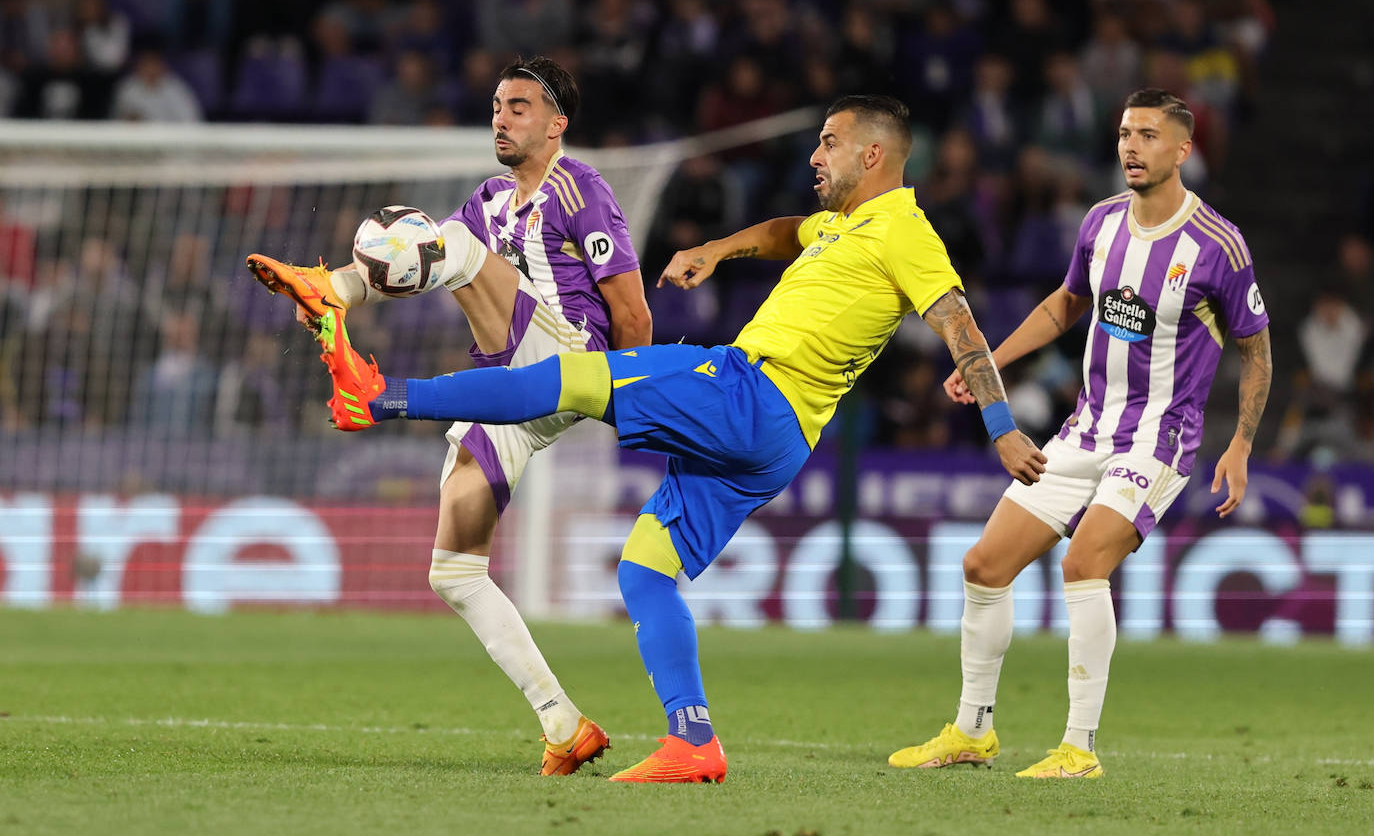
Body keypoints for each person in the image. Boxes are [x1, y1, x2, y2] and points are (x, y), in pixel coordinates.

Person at [308, 95, 1047, 782]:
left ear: (875, 155)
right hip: (780, 443)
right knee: (645, 571)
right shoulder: (838, 226)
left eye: (830, 143)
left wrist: (1001, 428)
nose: (816, 155)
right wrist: (717, 251)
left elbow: (958, 322)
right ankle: (692, 741)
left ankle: (384, 397)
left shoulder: (906, 231)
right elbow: (783, 232)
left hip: (748, 392)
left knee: (570, 376)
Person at [244, 55, 652, 777]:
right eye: (497, 104)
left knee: (454, 246)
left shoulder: (578, 187)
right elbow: (417, 259)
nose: (502, 116)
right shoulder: (490, 198)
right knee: (454, 571)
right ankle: (564, 724)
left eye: (520, 106)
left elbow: (632, 312)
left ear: (558, 123)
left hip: (566, 357)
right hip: (509, 392)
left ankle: (325, 290)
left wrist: (630, 398)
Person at [888, 89, 1272, 779]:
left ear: (1182, 150)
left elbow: (1257, 351)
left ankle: (1079, 748)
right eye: (1126, 133)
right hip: (1085, 431)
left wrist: (1241, 442)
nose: (1131, 146)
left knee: (1083, 563)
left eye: (1149, 136)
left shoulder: (1217, 244)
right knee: (984, 566)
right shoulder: (1100, 223)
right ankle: (973, 731)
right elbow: (1065, 306)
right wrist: (988, 363)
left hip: (1159, 439)